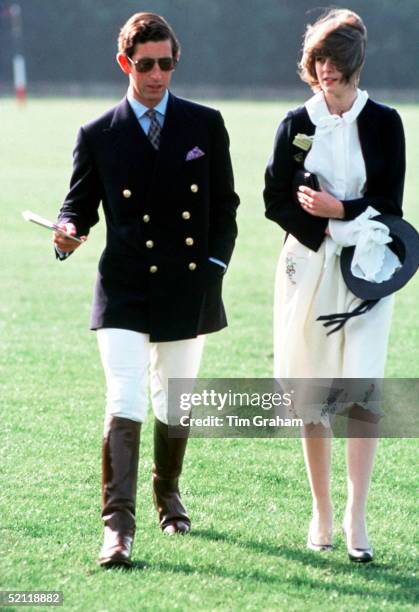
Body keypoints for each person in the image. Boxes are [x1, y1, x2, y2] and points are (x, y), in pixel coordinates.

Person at [53, 12, 239, 568]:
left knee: (174, 400)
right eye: (146, 64)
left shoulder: (205, 124)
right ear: (124, 63)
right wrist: (66, 235)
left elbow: (225, 209)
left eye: (167, 63)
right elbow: (77, 207)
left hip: (190, 286)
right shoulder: (98, 134)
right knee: (125, 398)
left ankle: (169, 493)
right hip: (126, 288)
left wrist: (212, 267)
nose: (158, 75)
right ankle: (118, 528)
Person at [264, 8, 405, 562]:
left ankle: (357, 514)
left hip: (369, 267)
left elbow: (390, 203)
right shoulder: (295, 123)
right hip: (308, 265)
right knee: (312, 392)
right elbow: (274, 199)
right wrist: (323, 223)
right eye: (320, 60)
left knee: (362, 389)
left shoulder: (386, 121)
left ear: (356, 64)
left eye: (337, 62)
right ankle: (321, 510)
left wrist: (340, 207)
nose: (327, 71)